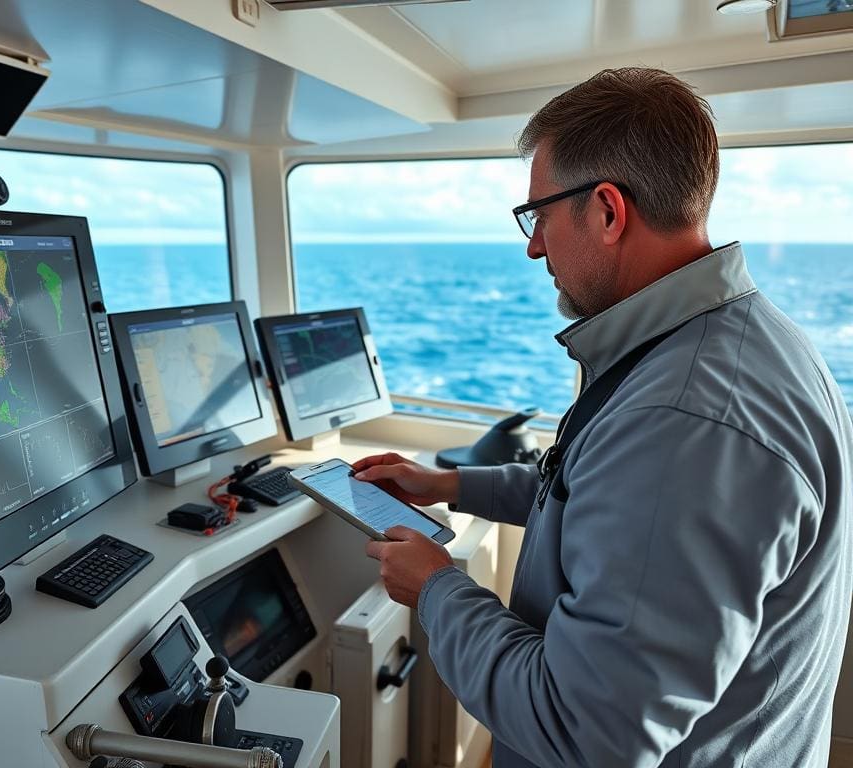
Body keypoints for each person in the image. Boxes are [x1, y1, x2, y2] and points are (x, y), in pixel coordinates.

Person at [353, 67, 853, 768]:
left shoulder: (686, 422)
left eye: (541, 217)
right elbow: (596, 491)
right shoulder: (731, 341)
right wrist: (450, 487)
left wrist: (436, 590)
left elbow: (585, 733)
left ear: (609, 211)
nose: (533, 247)